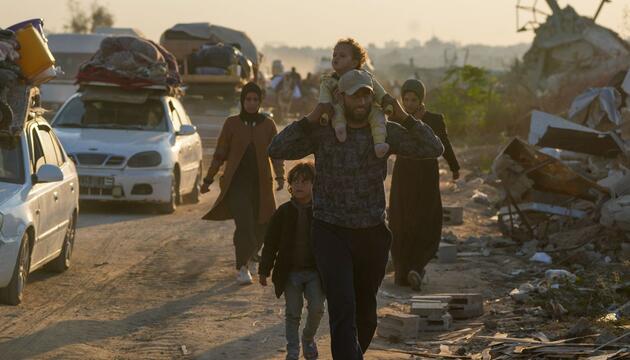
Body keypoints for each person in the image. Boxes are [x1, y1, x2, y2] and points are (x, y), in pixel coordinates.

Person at [269, 70, 444, 359]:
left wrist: (402, 116)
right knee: (342, 307)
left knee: (366, 313)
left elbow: (433, 147)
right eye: (355, 95)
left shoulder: (384, 131)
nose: (362, 101)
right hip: (330, 230)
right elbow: (276, 147)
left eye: (366, 94)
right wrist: (313, 115)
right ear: (341, 97)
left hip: (372, 232)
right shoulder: (324, 131)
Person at [201, 82, 285, 285]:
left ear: (260, 102)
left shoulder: (268, 125)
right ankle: (242, 267)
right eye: (248, 99)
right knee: (244, 225)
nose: (251, 103)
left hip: (262, 184)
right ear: (242, 101)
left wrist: (281, 176)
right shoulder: (232, 124)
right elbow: (220, 153)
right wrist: (209, 178)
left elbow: (276, 154)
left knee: (262, 224)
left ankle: (253, 254)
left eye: (255, 100)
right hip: (236, 184)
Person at [389, 79, 460, 291]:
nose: (409, 104)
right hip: (404, 176)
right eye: (406, 99)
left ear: (422, 100)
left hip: (427, 176)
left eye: (414, 99)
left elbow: (444, 145)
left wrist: (454, 167)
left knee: (427, 219)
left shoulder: (434, 120)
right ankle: (402, 271)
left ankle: (417, 268)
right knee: (400, 220)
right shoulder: (396, 120)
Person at [259, 162, 325, 360]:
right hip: (291, 273)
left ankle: (307, 338)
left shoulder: (323, 212)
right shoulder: (283, 212)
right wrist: (264, 269)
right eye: (295, 181)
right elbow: (270, 243)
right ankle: (293, 350)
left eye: (305, 181)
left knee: (317, 309)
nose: (299, 186)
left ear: (315, 185)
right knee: (293, 314)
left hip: (315, 273)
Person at [319, 38, 394, 158]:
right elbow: (324, 101)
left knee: (378, 116)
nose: (336, 58)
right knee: (336, 110)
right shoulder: (329, 81)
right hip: (338, 111)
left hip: (366, 112)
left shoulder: (366, 78)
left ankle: (379, 143)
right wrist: (325, 110)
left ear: (354, 62)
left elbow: (381, 94)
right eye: (334, 55)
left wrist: (387, 104)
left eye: (342, 56)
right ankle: (340, 128)